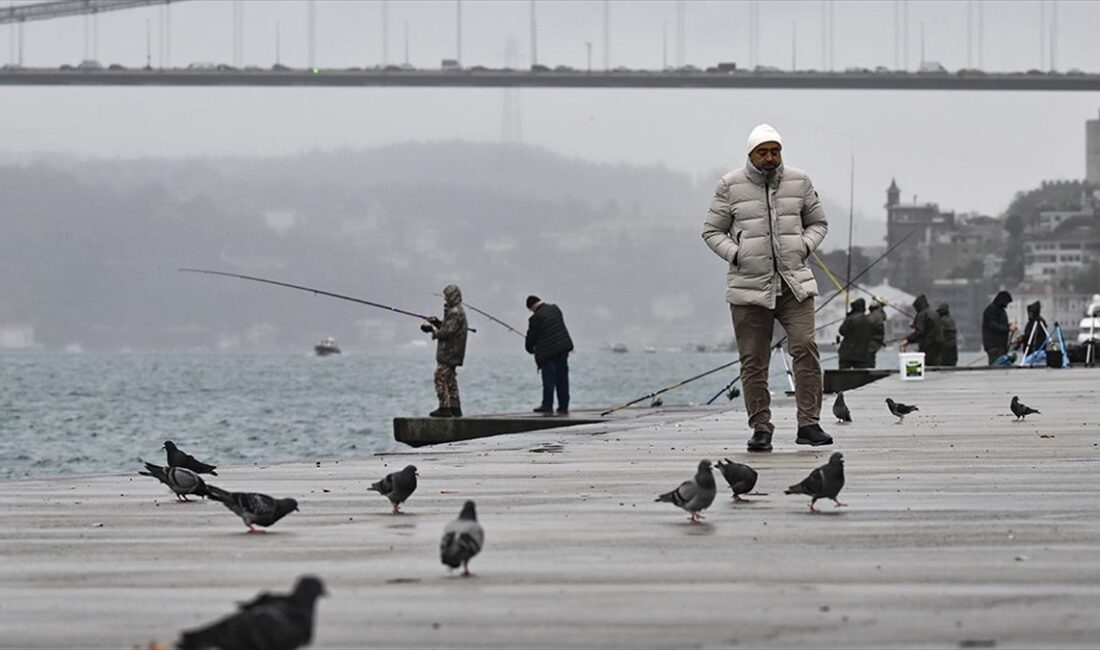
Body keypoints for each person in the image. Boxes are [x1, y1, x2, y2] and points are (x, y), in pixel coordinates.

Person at [701, 123, 832, 453]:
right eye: (763, 151)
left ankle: (809, 424)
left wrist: (803, 246)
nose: (771, 157)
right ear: (751, 154)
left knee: (805, 348)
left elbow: (819, 222)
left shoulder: (799, 182)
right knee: (753, 362)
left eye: (775, 151)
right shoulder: (729, 186)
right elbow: (712, 231)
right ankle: (761, 427)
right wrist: (736, 253)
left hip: (794, 284)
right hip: (749, 287)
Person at [420, 284, 468, 418]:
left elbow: (448, 331)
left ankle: (444, 408)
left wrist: (432, 331)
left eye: (447, 296)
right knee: (450, 380)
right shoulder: (454, 311)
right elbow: (447, 327)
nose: (445, 299)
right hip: (454, 352)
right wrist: (436, 322)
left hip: (450, 352)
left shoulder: (455, 312)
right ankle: (455, 407)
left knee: (440, 377)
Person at [524, 295, 574, 414]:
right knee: (562, 378)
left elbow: (531, 338)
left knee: (549, 379)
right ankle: (563, 406)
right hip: (563, 349)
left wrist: (530, 349)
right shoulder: (555, 309)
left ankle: (547, 405)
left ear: (531, 307)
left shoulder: (535, 318)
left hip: (548, 353)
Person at [899, 293, 943, 365]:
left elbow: (920, 332)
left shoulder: (922, 314)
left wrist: (908, 339)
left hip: (928, 346)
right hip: (938, 344)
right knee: (935, 366)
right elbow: (929, 327)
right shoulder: (934, 313)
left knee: (926, 365)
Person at [837, 298, 872, 369]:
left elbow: (842, 331)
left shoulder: (851, 319)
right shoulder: (868, 319)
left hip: (847, 352)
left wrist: (847, 318)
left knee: (843, 374)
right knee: (859, 375)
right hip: (862, 353)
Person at [981, 290, 1015, 364]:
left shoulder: (1000, 310)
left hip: (1001, 347)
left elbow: (998, 324)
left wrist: (1008, 326)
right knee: (996, 366)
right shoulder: (991, 310)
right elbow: (993, 326)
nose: (1007, 304)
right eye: (1006, 302)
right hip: (994, 347)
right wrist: (1008, 328)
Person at [864, 298, 887, 368]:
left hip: (870, 344)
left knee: (868, 362)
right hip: (875, 343)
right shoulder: (880, 315)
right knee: (870, 361)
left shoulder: (874, 316)